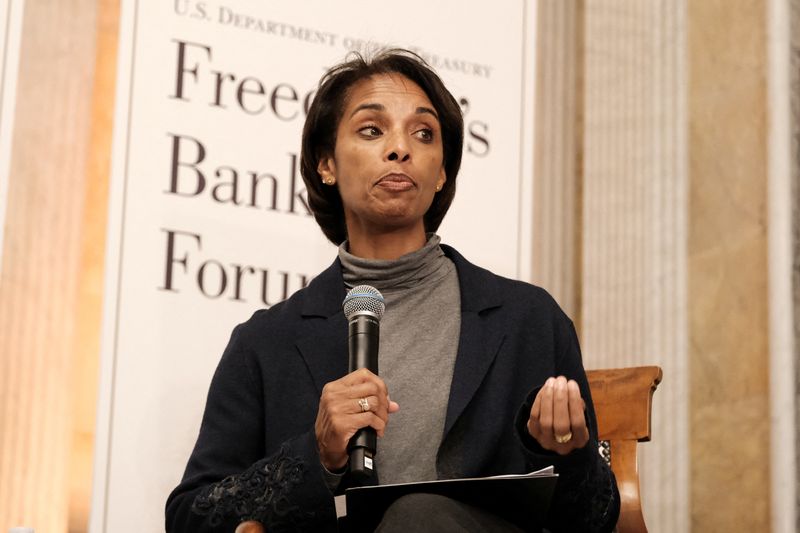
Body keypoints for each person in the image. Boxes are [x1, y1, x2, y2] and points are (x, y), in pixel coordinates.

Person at [165, 49, 619, 532]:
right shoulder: (266, 342)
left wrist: (571, 454)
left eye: (423, 134)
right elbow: (191, 517)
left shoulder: (527, 319)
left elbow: (598, 518)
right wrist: (315, 456)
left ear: (441, 172)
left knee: (417, 516)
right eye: (371, 130)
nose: (400, 148)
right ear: (326, 164)